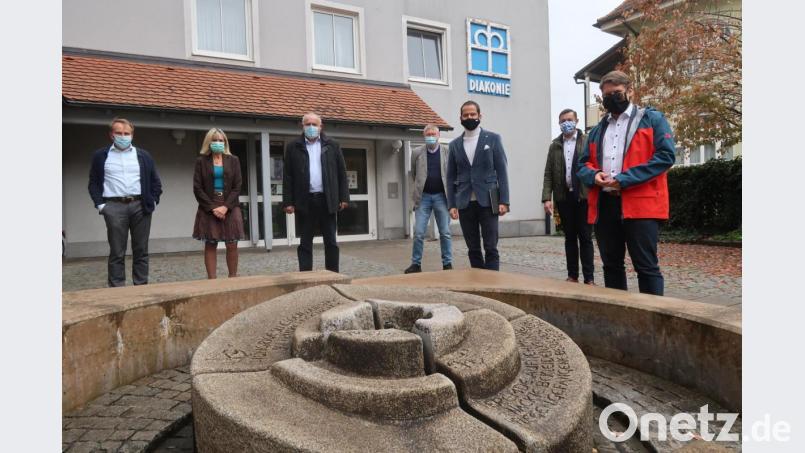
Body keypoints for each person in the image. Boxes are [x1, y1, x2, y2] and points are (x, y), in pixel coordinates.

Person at [576, 70, 675, 296]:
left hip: (640, 205)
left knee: (646, 266)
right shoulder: (598, 130)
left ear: (630, 91)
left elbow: (666, 156)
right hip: (605, 204)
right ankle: (619, 317)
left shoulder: (652, 119)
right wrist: (594, 175)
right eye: (606, 96)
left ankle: (652, 320)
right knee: (611, 265)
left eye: (617, 93)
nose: (611, 99)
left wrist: (624, 179)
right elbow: (582, 164)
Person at [88, 118, 162, 287]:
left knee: (141, 250)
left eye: (126, 133)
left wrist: (153, 202)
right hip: (113, 207)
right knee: (116, 252)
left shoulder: (143, 156)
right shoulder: (100, 156)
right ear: (111, 135)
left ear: (132, 135)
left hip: (140, 206)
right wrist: (101, 205)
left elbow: (155, 182)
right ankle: (117, 291)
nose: (123, 136)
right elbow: (93, 182)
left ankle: (141, 288)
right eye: (118, 133)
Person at [446, 100, 510, 271]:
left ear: (480, 116)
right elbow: (450, 175)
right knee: (473, 248)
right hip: (465, 202)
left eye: (473, 114)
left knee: (491, 246)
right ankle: (479, 282)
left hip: (490, 200)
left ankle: (493, 284)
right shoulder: (454, 145)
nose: (469, 117)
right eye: (466, 115)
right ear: (460, 118)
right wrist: (451, 204)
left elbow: (502, 171)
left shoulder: (494, 139)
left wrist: (504, 200)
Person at [282, 113, 349, 272]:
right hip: (305, 201)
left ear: (321, 126)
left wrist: (344, 197)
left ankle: (333, 274)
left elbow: (341, 173)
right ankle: (305, 275)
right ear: (302, 126)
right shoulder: (293, 147)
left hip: (328, 200)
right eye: (307, 124)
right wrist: (288, 202)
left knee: (331, 241)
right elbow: (288, 176)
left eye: (314, 124)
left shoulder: (333, 145)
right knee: (305, 242)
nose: (311, 127)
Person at [541, 109, 595, 285]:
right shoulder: (555, 145)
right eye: (563, 120)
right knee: (570, 237)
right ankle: (572, 275)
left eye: (569, 119)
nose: (566, 123)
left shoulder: (587, 141)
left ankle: (589, 277)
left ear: (577, 121)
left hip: (584, 197)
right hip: (564, 197)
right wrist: (546, 198)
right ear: (559, 123)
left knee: (585, 237)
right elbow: (548, 173)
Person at [192, 128, 246, 279]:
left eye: (221, 140)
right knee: (210, 243)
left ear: (225, 143)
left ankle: (233, 277)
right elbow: (197, 188)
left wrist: (225, 206)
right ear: (208, 142)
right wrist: (213, 207)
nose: (218, 143)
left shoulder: (233, 160)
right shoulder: (201, 161)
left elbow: (237, 186)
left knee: (232, 243)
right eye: (214, 140)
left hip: (230, 205)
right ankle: (212, 280)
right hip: (209, 206)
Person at [405, 125, 453, 273]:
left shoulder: (447, 151)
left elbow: (451, 175)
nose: (431, 136)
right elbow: (413, 174)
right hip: (423, 197)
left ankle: (447, 263)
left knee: (444, 232)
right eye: (428, 134)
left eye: (434, 133)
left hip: (441, 197)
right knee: (419, 232)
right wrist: (416, 194)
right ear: (424, 136)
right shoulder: (417, 152)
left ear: (438, 135)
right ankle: (416, 264)